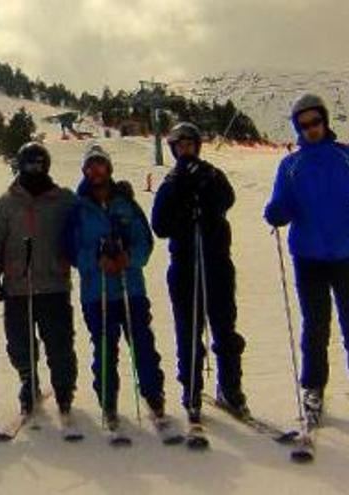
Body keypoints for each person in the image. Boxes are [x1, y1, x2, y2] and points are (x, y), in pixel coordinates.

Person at [67, 144, 172, 437]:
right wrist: (95, 259)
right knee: (104, 349)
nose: (96, 171)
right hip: (96, 292)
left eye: (100, 165)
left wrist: (130, 257)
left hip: (131, 287)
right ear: (85, 172)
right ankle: (109, 402)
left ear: (108, 168)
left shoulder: (125, 202)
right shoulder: (78, 208)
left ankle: (154, 397)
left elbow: (145, 241)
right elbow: (72, 250)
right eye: (91, 166)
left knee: (142, 344)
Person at [151, 122, 248, 425]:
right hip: (184, 265)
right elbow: (160, 225)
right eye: (180, 146)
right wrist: (181, 201)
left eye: (190, 145)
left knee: (224, 327)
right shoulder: (170, 181)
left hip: (216, 261)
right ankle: (191, 390)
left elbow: (227, 200)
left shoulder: (211, 173)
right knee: (188, 329)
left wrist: (206, 187)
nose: (185, 150)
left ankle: (231, 388)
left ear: (197, 146)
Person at [264, 94, 349, 427]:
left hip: (345, 255)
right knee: (315, 326)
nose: (311, 128)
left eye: (315, 121)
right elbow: (280, 204)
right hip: (308, 257)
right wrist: (276, 213)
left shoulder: (344, 157)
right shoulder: (291, 165)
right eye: (304, 124)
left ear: (325, 121)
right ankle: (314, 387)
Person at [0, 142, 79, 424]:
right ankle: (29, 381)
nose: (34, 171)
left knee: (59, 342)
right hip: (18, 285)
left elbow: (84, 221)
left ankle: (64, 389)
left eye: (39, 165)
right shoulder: (7, 201)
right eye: (29, 165)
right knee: (19, 342)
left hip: (53, 283)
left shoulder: (63, 199)